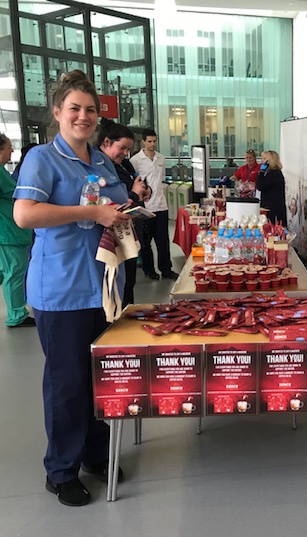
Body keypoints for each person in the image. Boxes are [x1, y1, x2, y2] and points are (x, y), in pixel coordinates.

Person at [13, 70, 132, 506]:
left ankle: (95, 454)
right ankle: (60, 469)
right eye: (75, 109)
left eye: (91, 110)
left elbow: (111, 208)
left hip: (103, 288)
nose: (83, 116)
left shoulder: (102, 162)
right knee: (66, 383)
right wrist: (91, 212)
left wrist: (121, 214)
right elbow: (25, 215)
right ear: (59, 113)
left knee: (100, 377)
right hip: (62, 290)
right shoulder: (42, 159)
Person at [97, 119, 150, 306]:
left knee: (129, 282)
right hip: (112, 237)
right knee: (117, 284)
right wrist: (134, 194)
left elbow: (138, 180)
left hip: (129, 231)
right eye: (122, 148)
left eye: (128, 149)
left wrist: (144, 190)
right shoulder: (98, 168)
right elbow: (110, 203)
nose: (125, 153)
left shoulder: (123, 165)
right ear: (106, 142)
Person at [129, 128, 179, 280]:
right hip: (144, 207)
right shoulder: (135, 160)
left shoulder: (161, 158)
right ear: (144, 141)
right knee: (145, 242)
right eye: (149, 141)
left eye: (154, 141)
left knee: (163, 240)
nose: (152, 144)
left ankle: (166, 269)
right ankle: (149, 270)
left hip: (161, 205)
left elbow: (161, 179)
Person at [0, 134, 34, 328]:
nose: (12, 151)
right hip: (7, 232)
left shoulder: (3, 172)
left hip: (12, 231)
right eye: (8, 147)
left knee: (9, 271)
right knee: (14, 272)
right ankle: (16, 315)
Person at [256, 149, 287, 225]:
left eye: (264, 159)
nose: (262, 161)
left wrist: (261, 173)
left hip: (273, 208)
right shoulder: (271, 173)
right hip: (270, 206)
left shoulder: (274, 174)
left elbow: (260, 185)